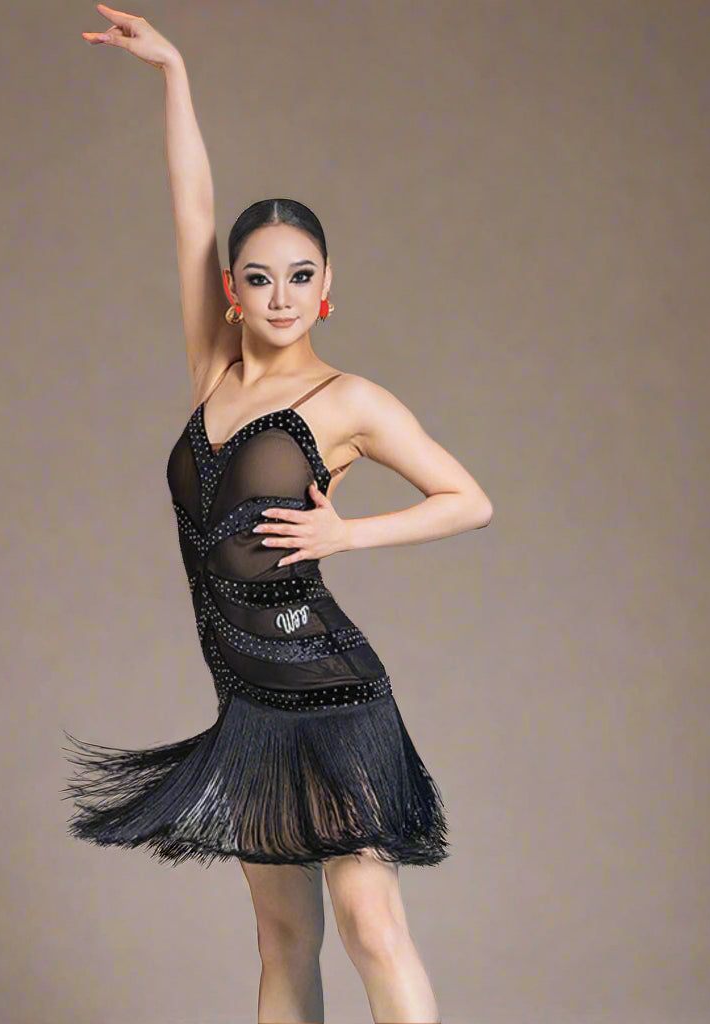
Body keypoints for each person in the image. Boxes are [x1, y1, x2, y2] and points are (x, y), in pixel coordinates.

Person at [66, 9, 493, 1023]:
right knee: (282, 938)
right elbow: (192, 210)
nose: (281, 294)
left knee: (369, 924)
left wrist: (349, 534)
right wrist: (173, 72)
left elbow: (470, 501)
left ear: (327, 287)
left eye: (301, 276)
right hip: (248, 703)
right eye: (259, 277)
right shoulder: (211, 372)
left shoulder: (349, 401)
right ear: (233, 290)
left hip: (332, 691)